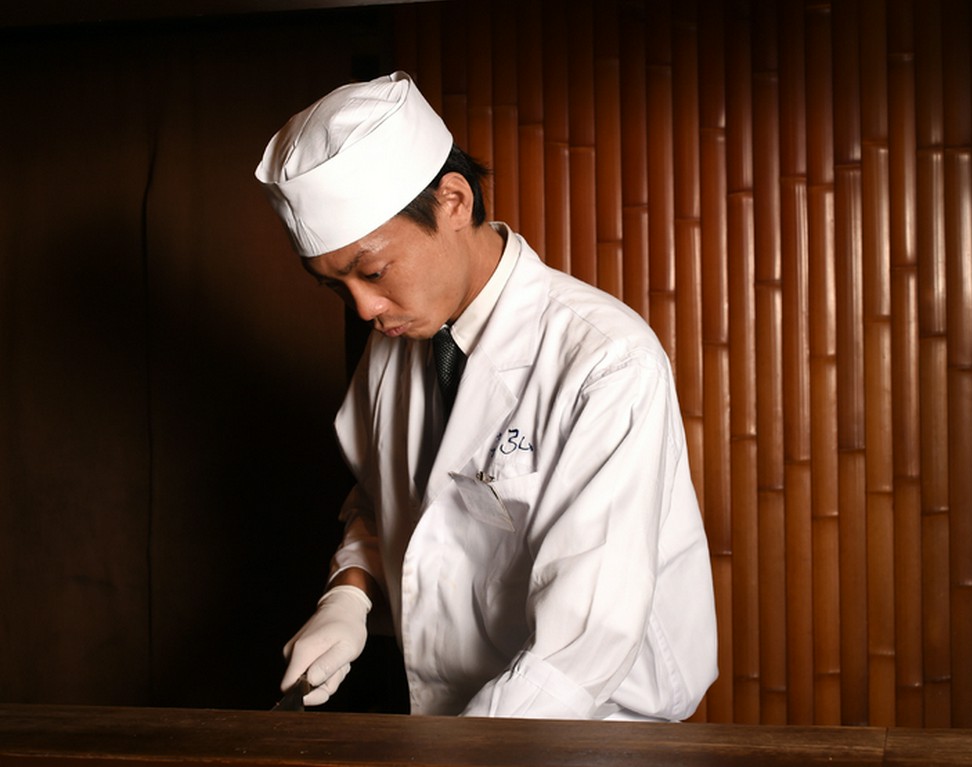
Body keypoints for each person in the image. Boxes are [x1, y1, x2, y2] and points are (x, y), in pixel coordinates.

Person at [255, 71, 717, 721]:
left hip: (594, 733)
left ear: (452, 201)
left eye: (372, 271)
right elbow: (383, 501)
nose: (363, 308)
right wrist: (350, 596)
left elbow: (581, 645)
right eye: (336, 287)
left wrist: (466, 757)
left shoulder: (605, 363)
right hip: (453, 729)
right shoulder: (394, 343)